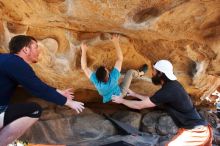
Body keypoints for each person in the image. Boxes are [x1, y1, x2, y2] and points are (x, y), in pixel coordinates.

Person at [0, 35, 85, 145]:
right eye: (36, 47)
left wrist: (58, 91)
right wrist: (69, 102)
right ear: (25, 49)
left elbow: (34, 84)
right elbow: (37, 88)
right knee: (34, 110)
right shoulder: (16, 62)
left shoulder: (6, 60)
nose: (39, 51)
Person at [112, 60, 212, 146]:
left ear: (160, 74)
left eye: (154, 72)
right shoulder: (171, 87)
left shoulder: (169, 90)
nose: (152, 74)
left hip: (196, 131)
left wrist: (121, 100)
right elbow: (151, 100)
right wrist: (134, 94)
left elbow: (139, 105)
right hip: (197, 129)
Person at [81, 34, 147, 103]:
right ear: (108, 74)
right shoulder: (113, 78)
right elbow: (120, 59)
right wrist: (116, 42)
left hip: (109, 99)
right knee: (130, 72)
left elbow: (84, 67)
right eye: (106, 70)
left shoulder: (97, 82)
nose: (106, 69)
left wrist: (83, 51)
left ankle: (117, 85)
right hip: (120, 94)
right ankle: (140, 74)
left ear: (97, 77)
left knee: (116, 82)